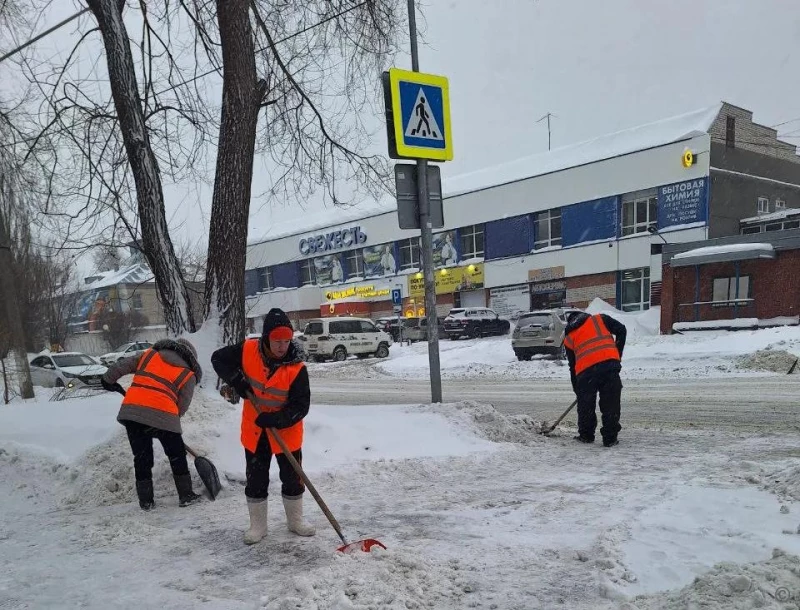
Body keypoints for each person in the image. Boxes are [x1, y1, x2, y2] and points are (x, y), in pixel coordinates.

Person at [211, 308, 315, 545]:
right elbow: (218, 359)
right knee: (256, 478)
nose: (282, 347)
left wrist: (277, 419)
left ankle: (295, 521)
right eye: (277, 341)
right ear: (267, 338)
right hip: (256, 431)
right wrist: (236, 380)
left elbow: (301, 406)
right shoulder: (248, 350)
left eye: (286, 341)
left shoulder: (297, 368)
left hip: (286, 432)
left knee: (292, 478)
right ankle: (258, 526)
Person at [101, 338, 203, 510]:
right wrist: (169, 421)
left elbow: (123, 365)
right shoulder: (188, 374)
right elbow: (183, 405)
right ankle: (186, 495)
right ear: (190, 357)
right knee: (176, 455)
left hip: (133, 414)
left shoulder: (149, 355)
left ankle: (146, 501)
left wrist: (107, 379)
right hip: (165, 415)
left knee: (142, 457)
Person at [563, 311, 627, 447]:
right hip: (609, 366)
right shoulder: (599, 319)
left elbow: (572, 367)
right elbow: (621, 330)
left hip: (585, 373)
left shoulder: (568, 338)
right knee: (611, 403)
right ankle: (610, 438)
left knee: (586, 406)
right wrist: (617, 355)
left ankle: (586, 435)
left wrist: (578, 392)